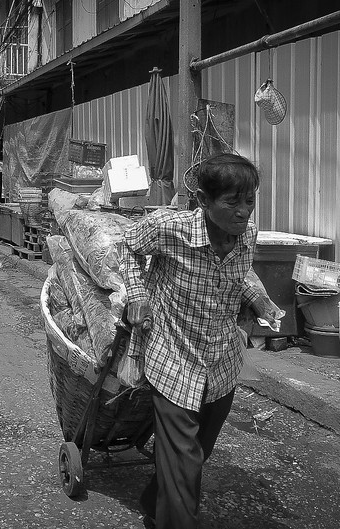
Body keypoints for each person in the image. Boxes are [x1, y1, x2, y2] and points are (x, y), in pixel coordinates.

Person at [120, 153, 280, 529]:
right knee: (185, 459)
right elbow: (126, 248)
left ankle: (153, 501)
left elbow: (238, 277)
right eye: (232, 202)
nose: (243, 212)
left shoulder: (249, 235)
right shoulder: (167, 227)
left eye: (250, 201)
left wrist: (256, 301)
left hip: (222, 362)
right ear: (204, 201)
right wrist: (136, 294)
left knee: (197, 452)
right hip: (175, 356)